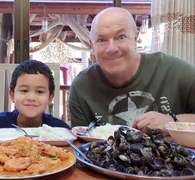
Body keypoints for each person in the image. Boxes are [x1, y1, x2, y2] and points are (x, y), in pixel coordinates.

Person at [69, 7, 195, 135]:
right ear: (92, 45)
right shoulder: (81, 87)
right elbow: (80, 145)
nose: (111, 48)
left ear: (135, 38)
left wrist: (172, 122)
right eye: (101, 40)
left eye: (121, 37)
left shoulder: (176, 72)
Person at [0, 60, 70, 130]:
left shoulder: (60, 129)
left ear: (50, 98)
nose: (31, 98)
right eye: (24, 90)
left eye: (39, 92)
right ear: (12, 95)